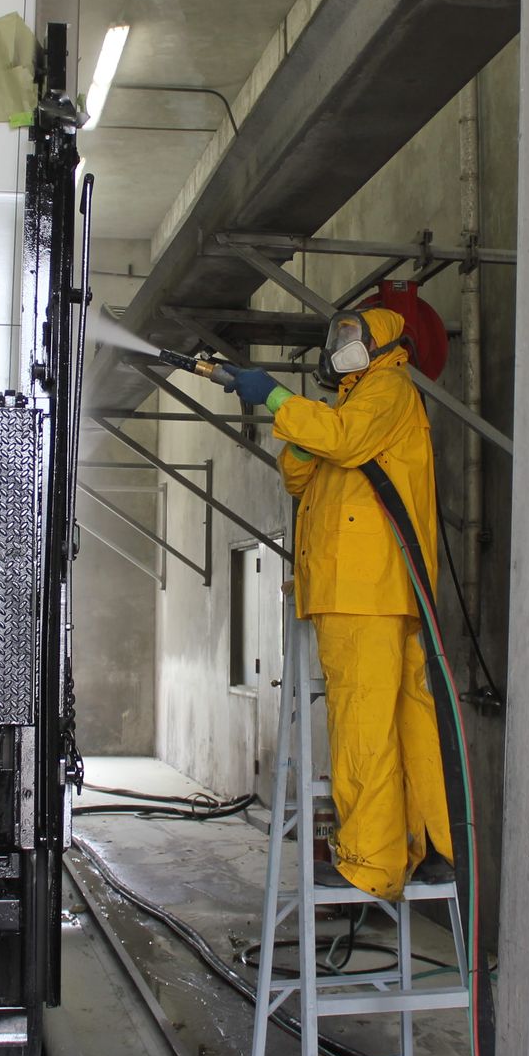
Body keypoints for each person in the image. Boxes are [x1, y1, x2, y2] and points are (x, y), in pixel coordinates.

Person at [222, 307, 452, 901]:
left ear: (383, 345)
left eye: (351, 338)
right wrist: (300, 429)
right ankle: (433, 847)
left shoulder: (387, 389)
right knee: (407, 720)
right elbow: (304, 476)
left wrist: (275, 398)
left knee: (362, 724)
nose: (339, 347)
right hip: (379, 588)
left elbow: (343, 443)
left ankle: (372, 862)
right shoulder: (355, 405)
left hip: (362, 590)